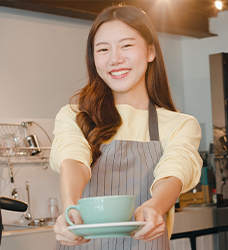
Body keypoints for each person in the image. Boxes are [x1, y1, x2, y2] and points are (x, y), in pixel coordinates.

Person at [51, 5, 202, 249]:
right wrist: (70, 210)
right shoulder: (74, 116)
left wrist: (155, 206)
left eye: (126, 45)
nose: (115, 58)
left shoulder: (180, 125)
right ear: (94, 58)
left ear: (150, 51)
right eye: (103, 49)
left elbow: (176, 169)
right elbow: (74, 160)